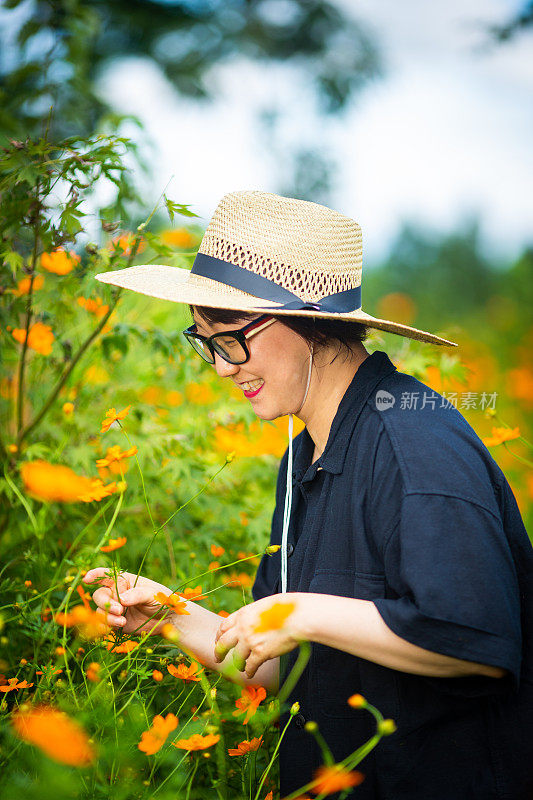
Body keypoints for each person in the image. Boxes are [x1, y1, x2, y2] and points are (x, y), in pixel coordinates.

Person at [84, 190, 533, 799]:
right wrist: (168, 615)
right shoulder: (304, 456)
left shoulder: (412, 438)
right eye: (206, 341)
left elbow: (475, 639)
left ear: (309, 325)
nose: (221, 366)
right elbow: (275, 662)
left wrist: (301, 612)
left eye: (231, 337)